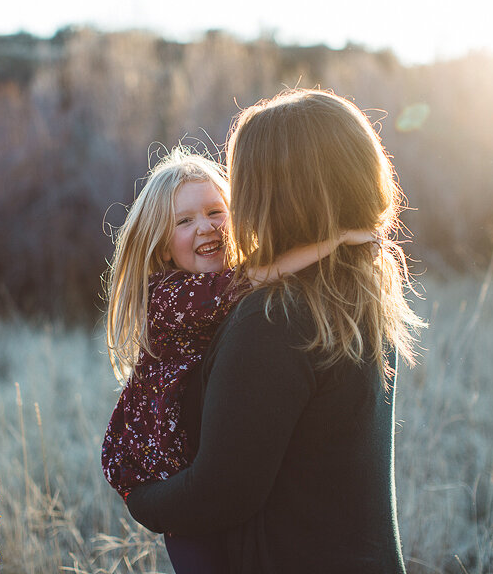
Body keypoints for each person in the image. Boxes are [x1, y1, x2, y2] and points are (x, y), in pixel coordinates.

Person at [124, 89, 425, 574]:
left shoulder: (275, 318)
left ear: (275, 191)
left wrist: (143, 500)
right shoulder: (352, 295)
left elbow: (220, 494)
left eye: (240, 183)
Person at [101, 147, 376, 573]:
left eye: (215, 211)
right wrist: (334, 241)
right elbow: (258, 275)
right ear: (161, 246)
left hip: (197, 469)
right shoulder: (171, 295)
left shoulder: (228, 285)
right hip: (168, 479)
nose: (206, 227)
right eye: (184, 221)